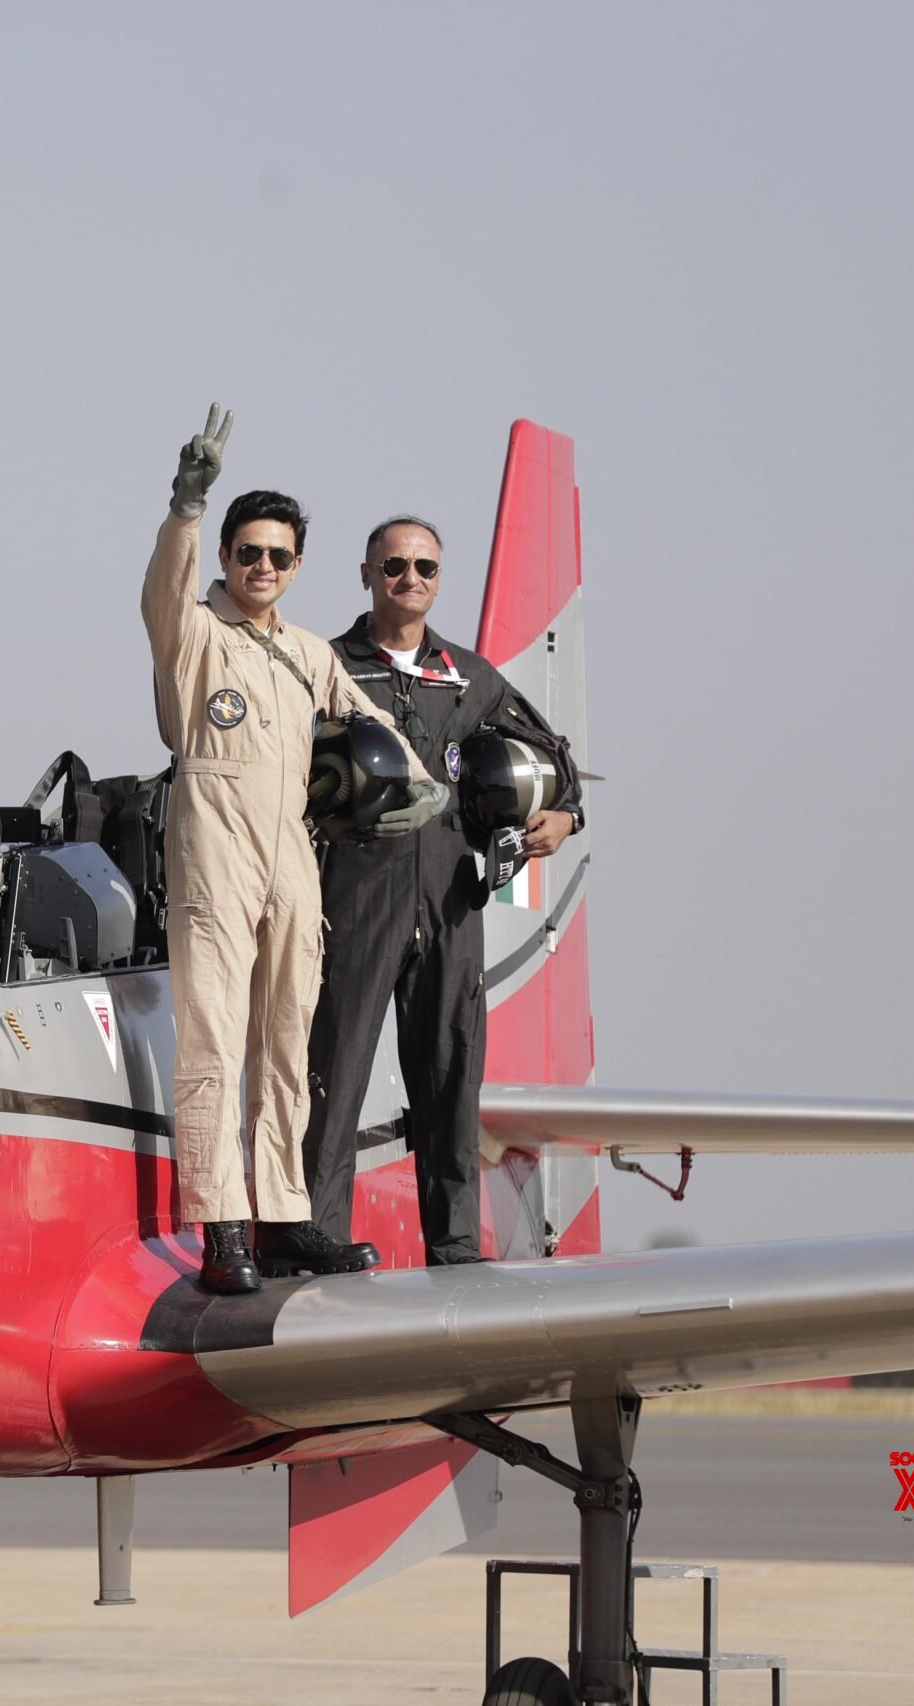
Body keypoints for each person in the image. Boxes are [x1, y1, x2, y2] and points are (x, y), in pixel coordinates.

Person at [141, 407, 436, 1294]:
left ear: (297, 566)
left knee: (285, 1041)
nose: (262, 567)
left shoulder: (309, 653)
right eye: (248, 552)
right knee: (213, 1038)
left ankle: (282, 1217)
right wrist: (186, 509)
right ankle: (222, 1226)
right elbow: (162, 591)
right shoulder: (194, 633)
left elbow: (372, 719)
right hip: (215, 848)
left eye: (277, 555)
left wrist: (422, 788)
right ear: (227, 556)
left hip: (292, 858)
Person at [303, 514, 584, 1266]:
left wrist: (565, 814)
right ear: (367, 574)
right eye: (395, 566)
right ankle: (318, 1236)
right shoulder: (325, 666)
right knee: (335, 1069)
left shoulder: (468, 676)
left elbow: (554, 756)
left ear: (438, 579)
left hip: (452, 900)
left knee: (452, 1074)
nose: (410, 580)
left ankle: (455, 1244)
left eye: (425, 568)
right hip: (354, 899)